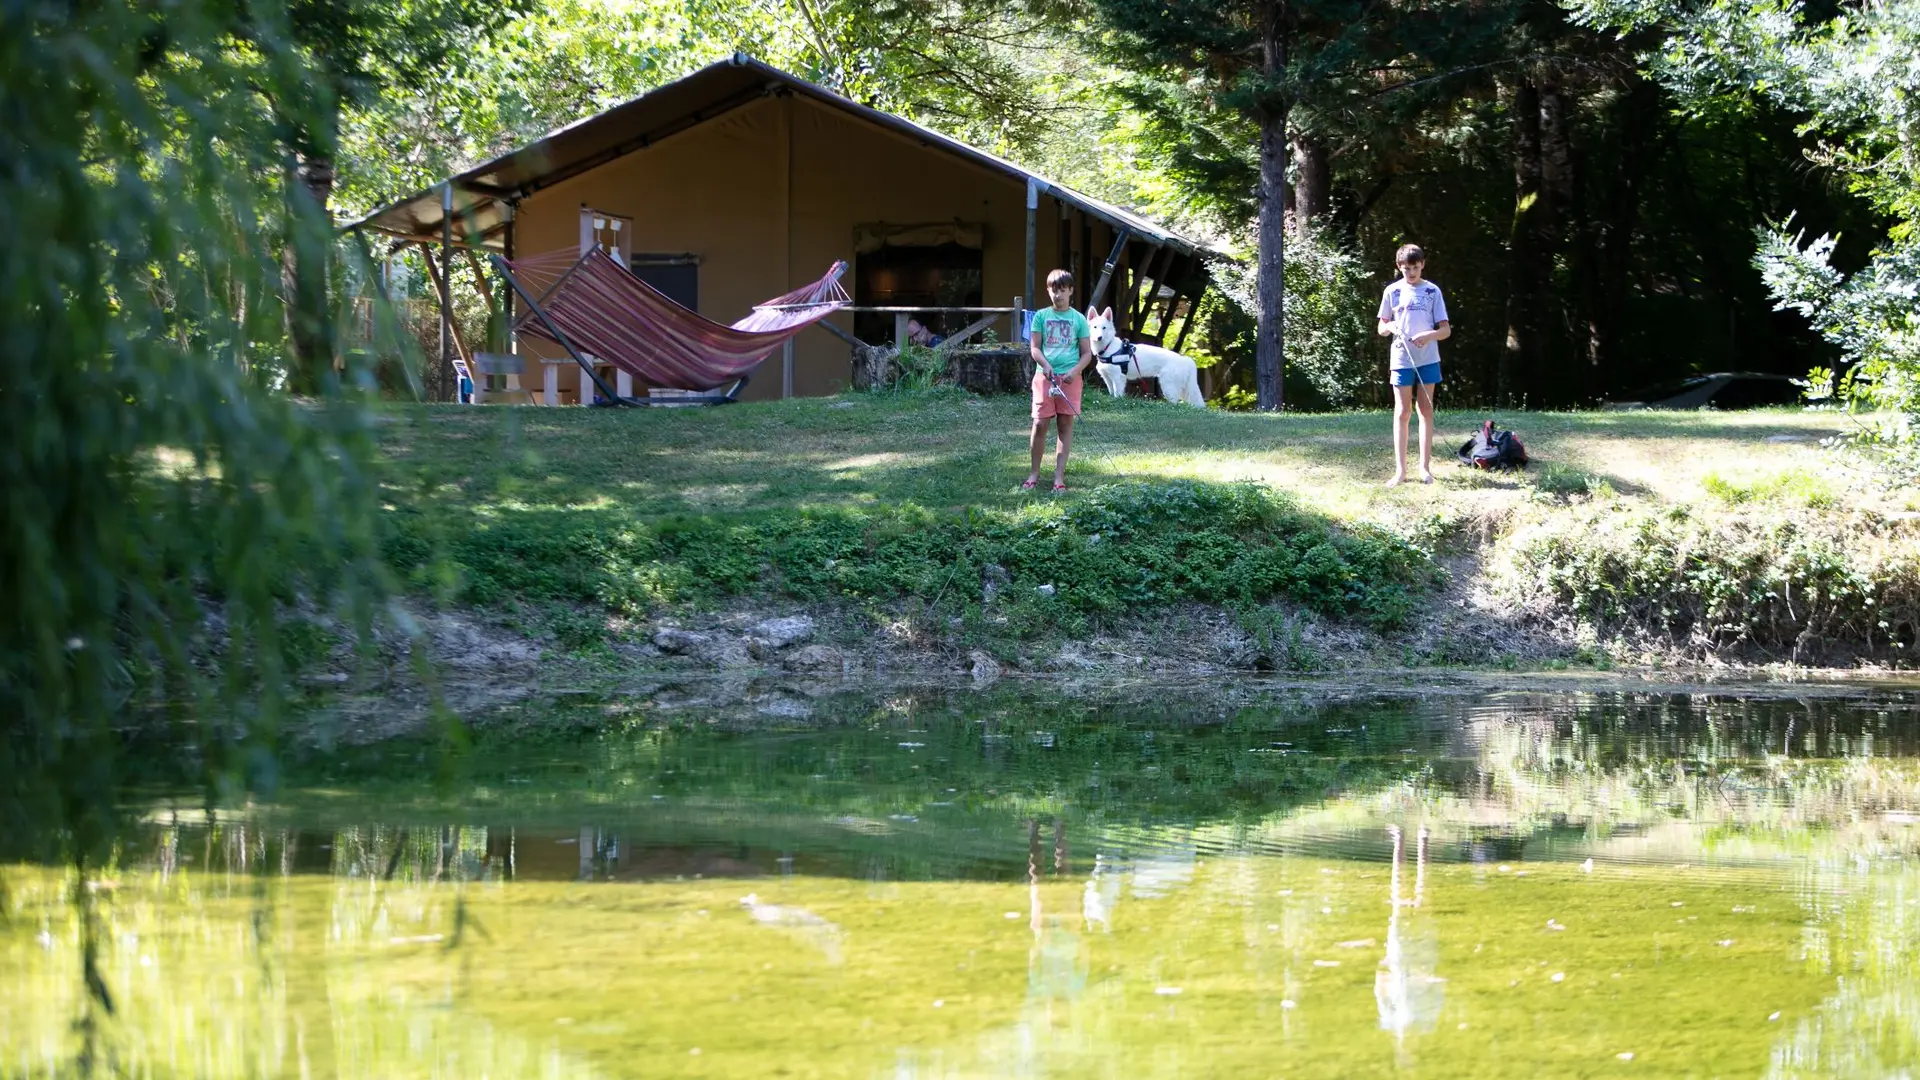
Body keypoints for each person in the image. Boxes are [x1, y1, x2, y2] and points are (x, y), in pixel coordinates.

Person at [1376, 243, 1450, 486]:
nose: (1411, 272)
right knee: (1402, 412)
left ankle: (1425, 469)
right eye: (1406, 268)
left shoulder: (1432, 291)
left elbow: (1445, 330)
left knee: (1426, 411)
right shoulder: (1392, 291)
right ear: (1399, 267)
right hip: (1401, 359)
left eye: (1415, 268)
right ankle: (1400, 471)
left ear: (1422, 265)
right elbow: (1381, 327)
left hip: (1428, 359)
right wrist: (1390, 327)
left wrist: (1428, 336)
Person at [1026, 269, 1093, 493]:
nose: (1058, 295)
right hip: (1044, 378)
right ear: (1048, 291)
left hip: (1070, 379)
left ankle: (1059, 477)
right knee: (1039, 423)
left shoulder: (1079, 319)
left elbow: (1087, 353)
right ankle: (1034, 473)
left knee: (1065, 425)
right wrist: (1045, 366)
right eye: (1054, 291)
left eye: (1062, 291)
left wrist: (1075, 371)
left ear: (1071, 291)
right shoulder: (1041, 316)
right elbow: (1034, 348)